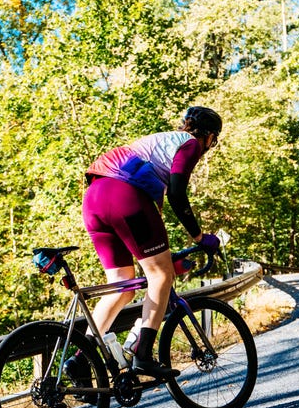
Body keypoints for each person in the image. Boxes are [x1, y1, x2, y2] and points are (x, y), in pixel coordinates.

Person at [74, 106, 222, 380]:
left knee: (122, 286)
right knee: (161, 274)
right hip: (123, 195)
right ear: (210, 137)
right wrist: (200, 237)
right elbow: (177, 194)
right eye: (214, 141)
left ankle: (83, 358)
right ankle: (142, 354)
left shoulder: (162, 141)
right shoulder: (189, 145)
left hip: (94, 197)